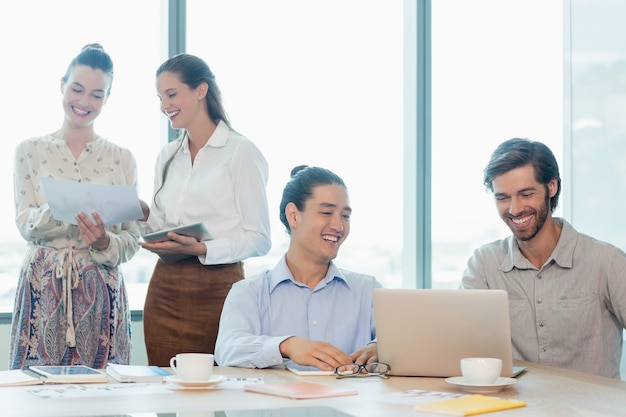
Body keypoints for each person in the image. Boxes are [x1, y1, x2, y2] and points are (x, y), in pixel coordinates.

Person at [10, 44, 140, 369]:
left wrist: (104, 242)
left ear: (107, 99)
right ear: (62, 85)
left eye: (97, 95)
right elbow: (25, 222)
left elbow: (132, 238)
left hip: (101, 291)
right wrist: (62, 205)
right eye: (77, 89)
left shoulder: (121, 158)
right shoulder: (29, 150)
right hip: (43, 287)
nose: (84, 102)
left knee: (101, 396)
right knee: (38, 394)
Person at [139, 53, 271, 366]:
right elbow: (162, 224)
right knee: (165, 389)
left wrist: (202, 247)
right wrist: (142, 213)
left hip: (219, 290)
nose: (163, 105)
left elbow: (259, 238)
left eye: (171, 94)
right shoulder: (167, 155)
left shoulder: (240, 152)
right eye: (160, 97)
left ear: (201, 90)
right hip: (165, 287)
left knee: (215, 394)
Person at [461, 137, 626, 379]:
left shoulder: (605, 261)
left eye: (526, 194)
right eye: (503, 197)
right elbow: (458, 342)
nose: (514, 209)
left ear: (551, 187)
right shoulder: (484, 265)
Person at [214, 165, 381, 370]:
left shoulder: (368, 290)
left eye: (345, 216)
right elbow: (227, 350)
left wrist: (380, 347)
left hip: (350, 401)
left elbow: (408, 339)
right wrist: (287, 346)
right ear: (293, 215)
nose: (338, 226)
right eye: (327, 212)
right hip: (276, 402)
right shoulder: (250, 293)